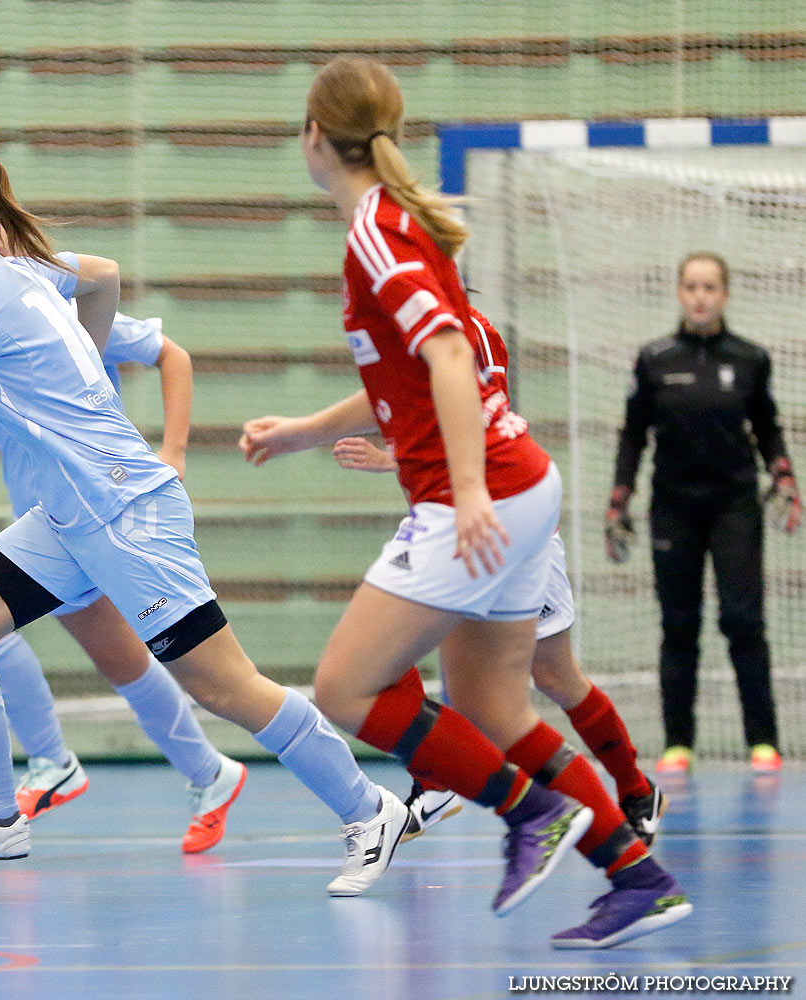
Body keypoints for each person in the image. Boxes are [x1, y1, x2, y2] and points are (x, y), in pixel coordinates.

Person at [0, 151, 409, 896]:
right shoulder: (13, 264)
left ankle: (369, 807)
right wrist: (77, 361)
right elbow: (103, 276)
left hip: (121, 510)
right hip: (66, 518)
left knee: (222, 685)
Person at [239, 56, 690, 948]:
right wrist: (299, 432)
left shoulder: (375, 227)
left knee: (347, 687)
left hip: (479, 497)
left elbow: (449, 355)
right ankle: (636, 876)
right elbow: (405, 379)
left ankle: (531, 816)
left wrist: (473, 493)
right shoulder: (402, 223)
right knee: (494, 709)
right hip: (519, 489)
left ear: (314, 137)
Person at [0, 228, 246, 854]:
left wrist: (175, 451)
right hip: (45, 516)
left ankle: (64, 765)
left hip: (99, 507)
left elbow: (174, 354)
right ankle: (197, 772)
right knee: (91, 654)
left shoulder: (55, 312)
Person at [328, 309, 664, 846]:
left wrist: (388, 458)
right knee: (385, 647)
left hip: (506, 523)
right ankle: (440, 786)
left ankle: (632, 789)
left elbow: (474, 428)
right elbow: (411, 416)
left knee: (551, 677)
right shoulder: (389, 336)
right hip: (445, 525)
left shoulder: (467, 334)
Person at [607, 250, 798, 776]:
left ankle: (763, 741)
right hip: (673, 509)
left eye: (710, 287)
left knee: (743, 620)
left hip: (735, 506)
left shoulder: (751, 358)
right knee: (679, 624)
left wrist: (783, 473)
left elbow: (769, 426)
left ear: (725, 294)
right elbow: (632, 436)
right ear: (679, 292)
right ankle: (678, 744)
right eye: (691, 286)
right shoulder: (654, 359)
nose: (700, 296)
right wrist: (619, 496)